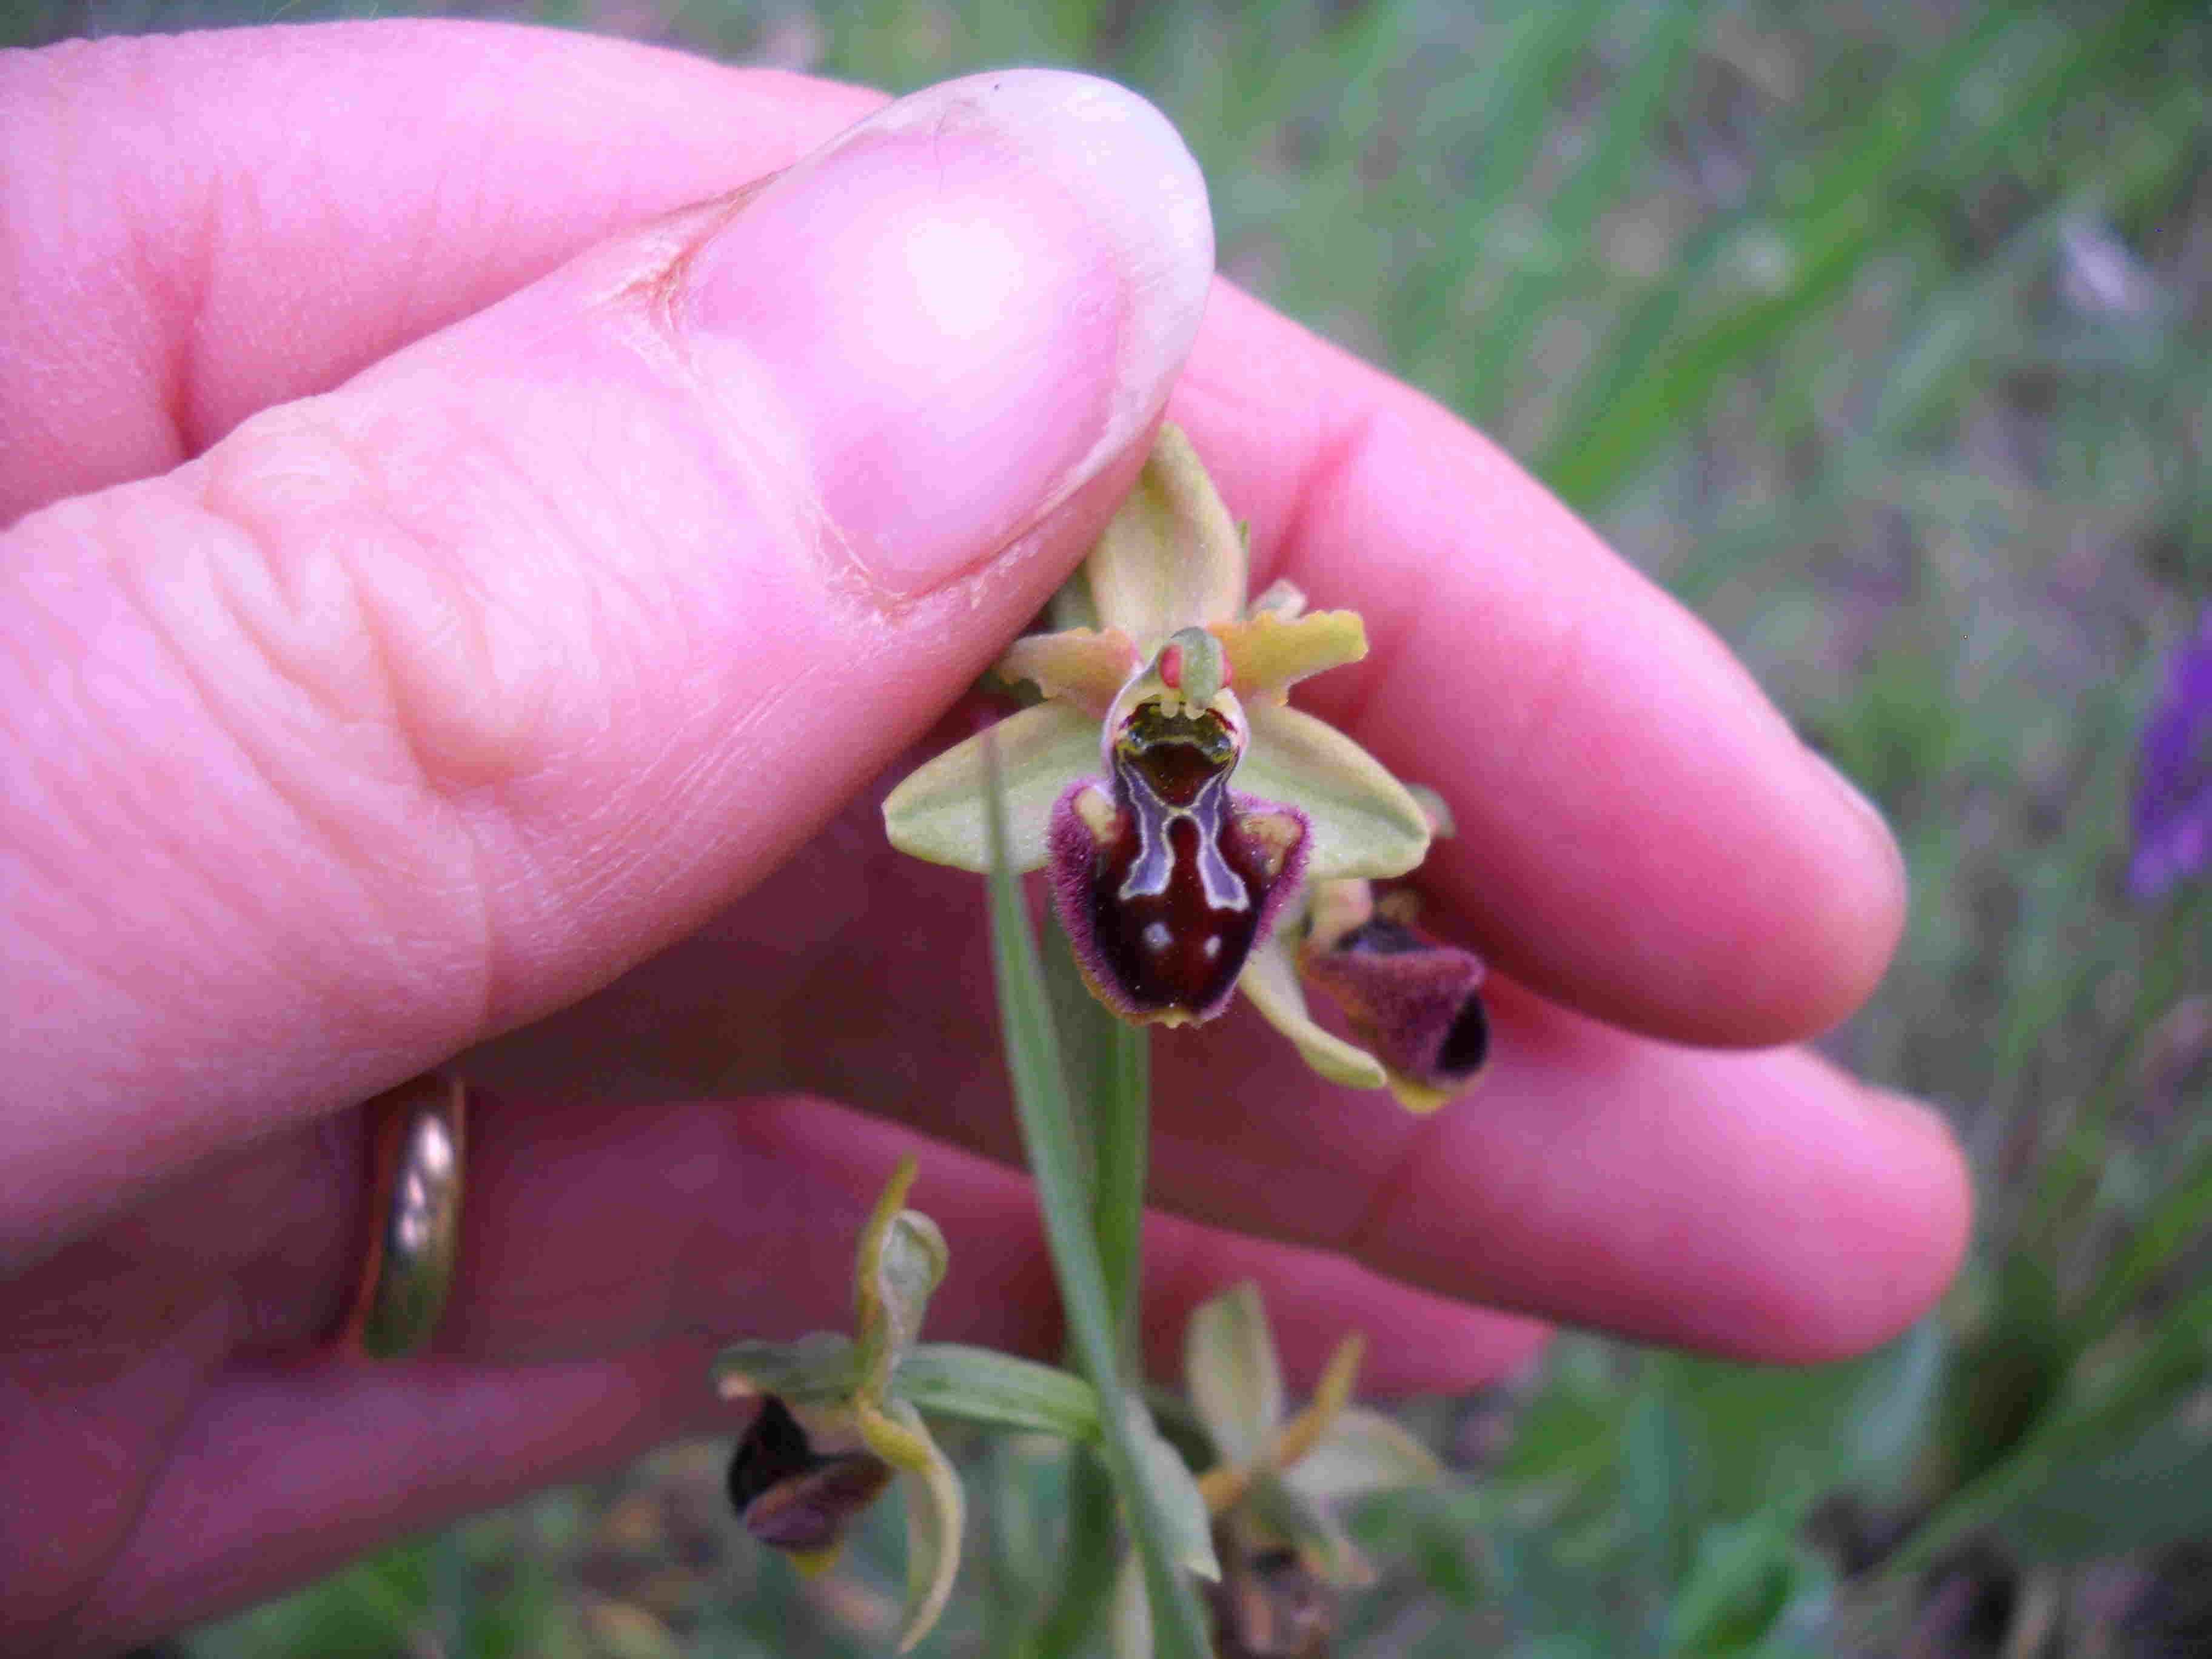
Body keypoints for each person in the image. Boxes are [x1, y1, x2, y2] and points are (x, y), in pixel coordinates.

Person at [0, 22, 1969, 1650]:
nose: (1186, 742)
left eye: (1193, 728)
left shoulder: (1210, 764)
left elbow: (1351, 808)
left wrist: (1305, 895)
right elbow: (970, 804)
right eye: (1166, 725)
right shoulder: (1055, 764)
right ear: (1129, 704)